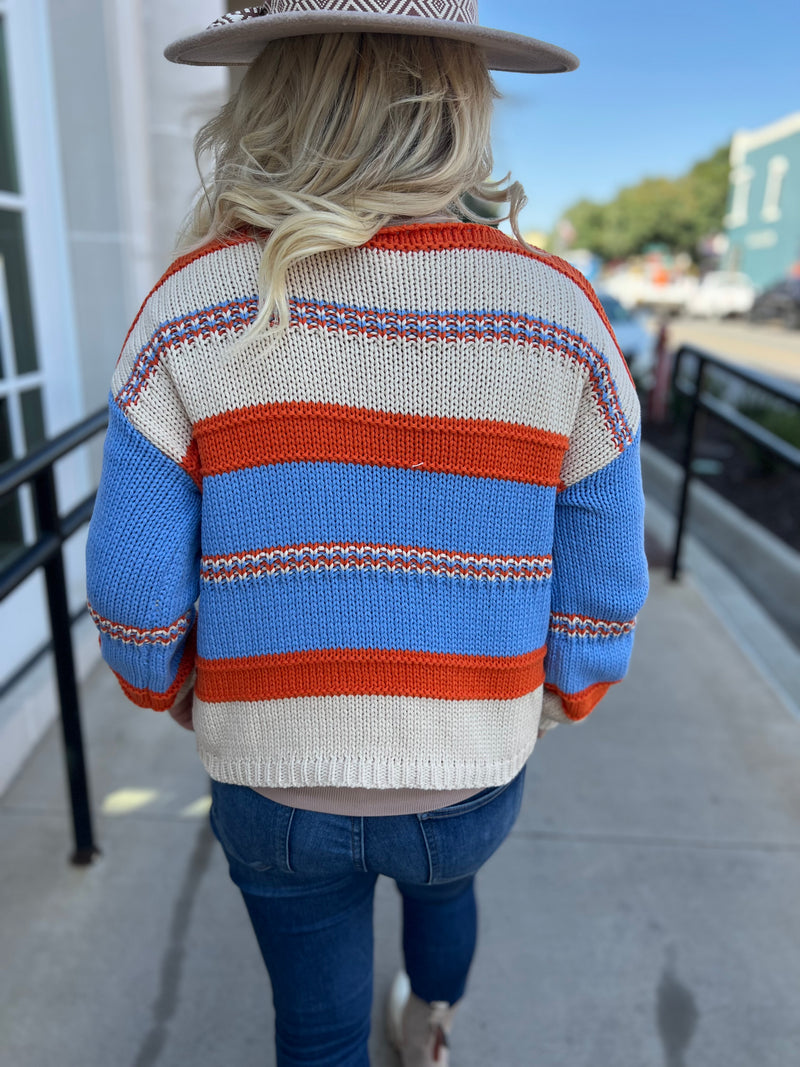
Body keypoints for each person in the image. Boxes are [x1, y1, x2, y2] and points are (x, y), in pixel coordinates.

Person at [85, 4, 648, 1065]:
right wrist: (555, 698)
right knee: (448, 884)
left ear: (266, 97)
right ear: (457, 102)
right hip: (470, 764)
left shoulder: (190, 305)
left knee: (314, 1028)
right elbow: (604, 580)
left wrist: (173, 690)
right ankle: (430, 1025)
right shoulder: (556, 311)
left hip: (268, 781)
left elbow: (129, 586)